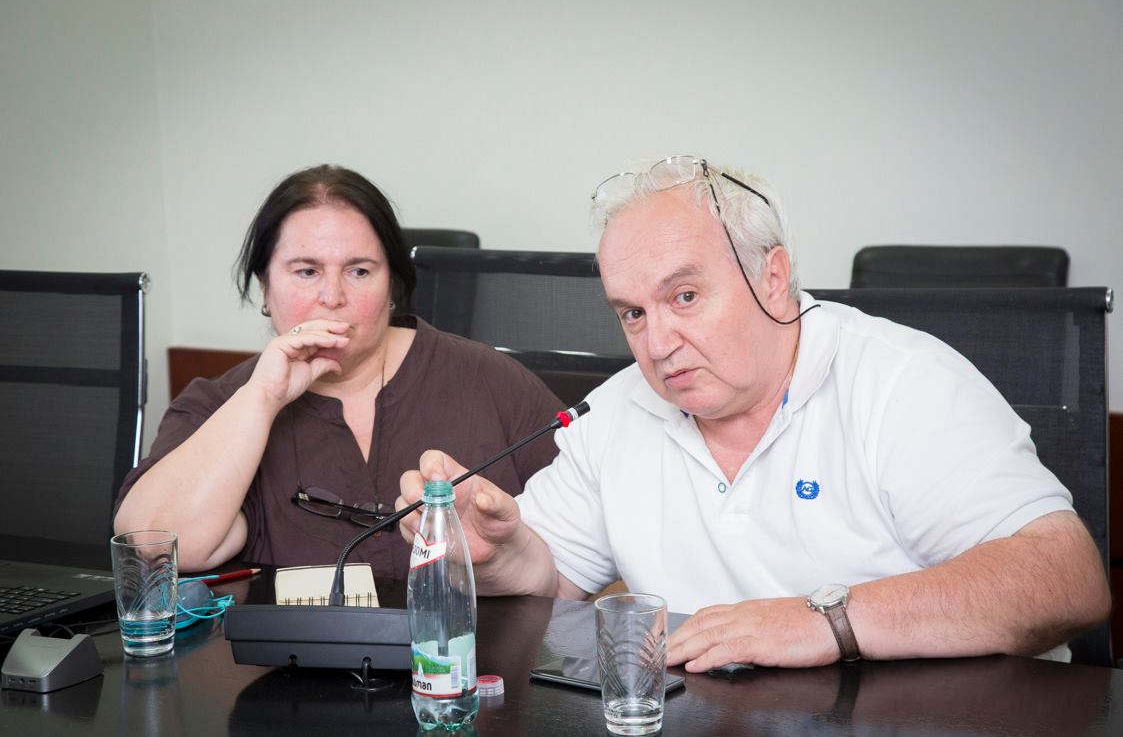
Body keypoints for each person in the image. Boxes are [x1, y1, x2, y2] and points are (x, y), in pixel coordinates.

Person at [397, 155, 1110, 669]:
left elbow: (1066, 578)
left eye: (683, 297)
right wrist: (495, 554)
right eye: (632, 313)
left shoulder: (898, 380)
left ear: (773, 277)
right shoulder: (618, 409)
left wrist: (827, 619)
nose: (657, 343)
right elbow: (550, 578)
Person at [114, 164, 563, 575]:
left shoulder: (491, 380)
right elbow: (156, 546)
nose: (332, 297)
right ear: (264, 287)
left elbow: (585, 551)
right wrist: (262, 398)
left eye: (359, 271)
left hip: (471, 641)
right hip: (286, 644)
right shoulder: (218, 403)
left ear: (392, 286)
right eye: (306, 271)